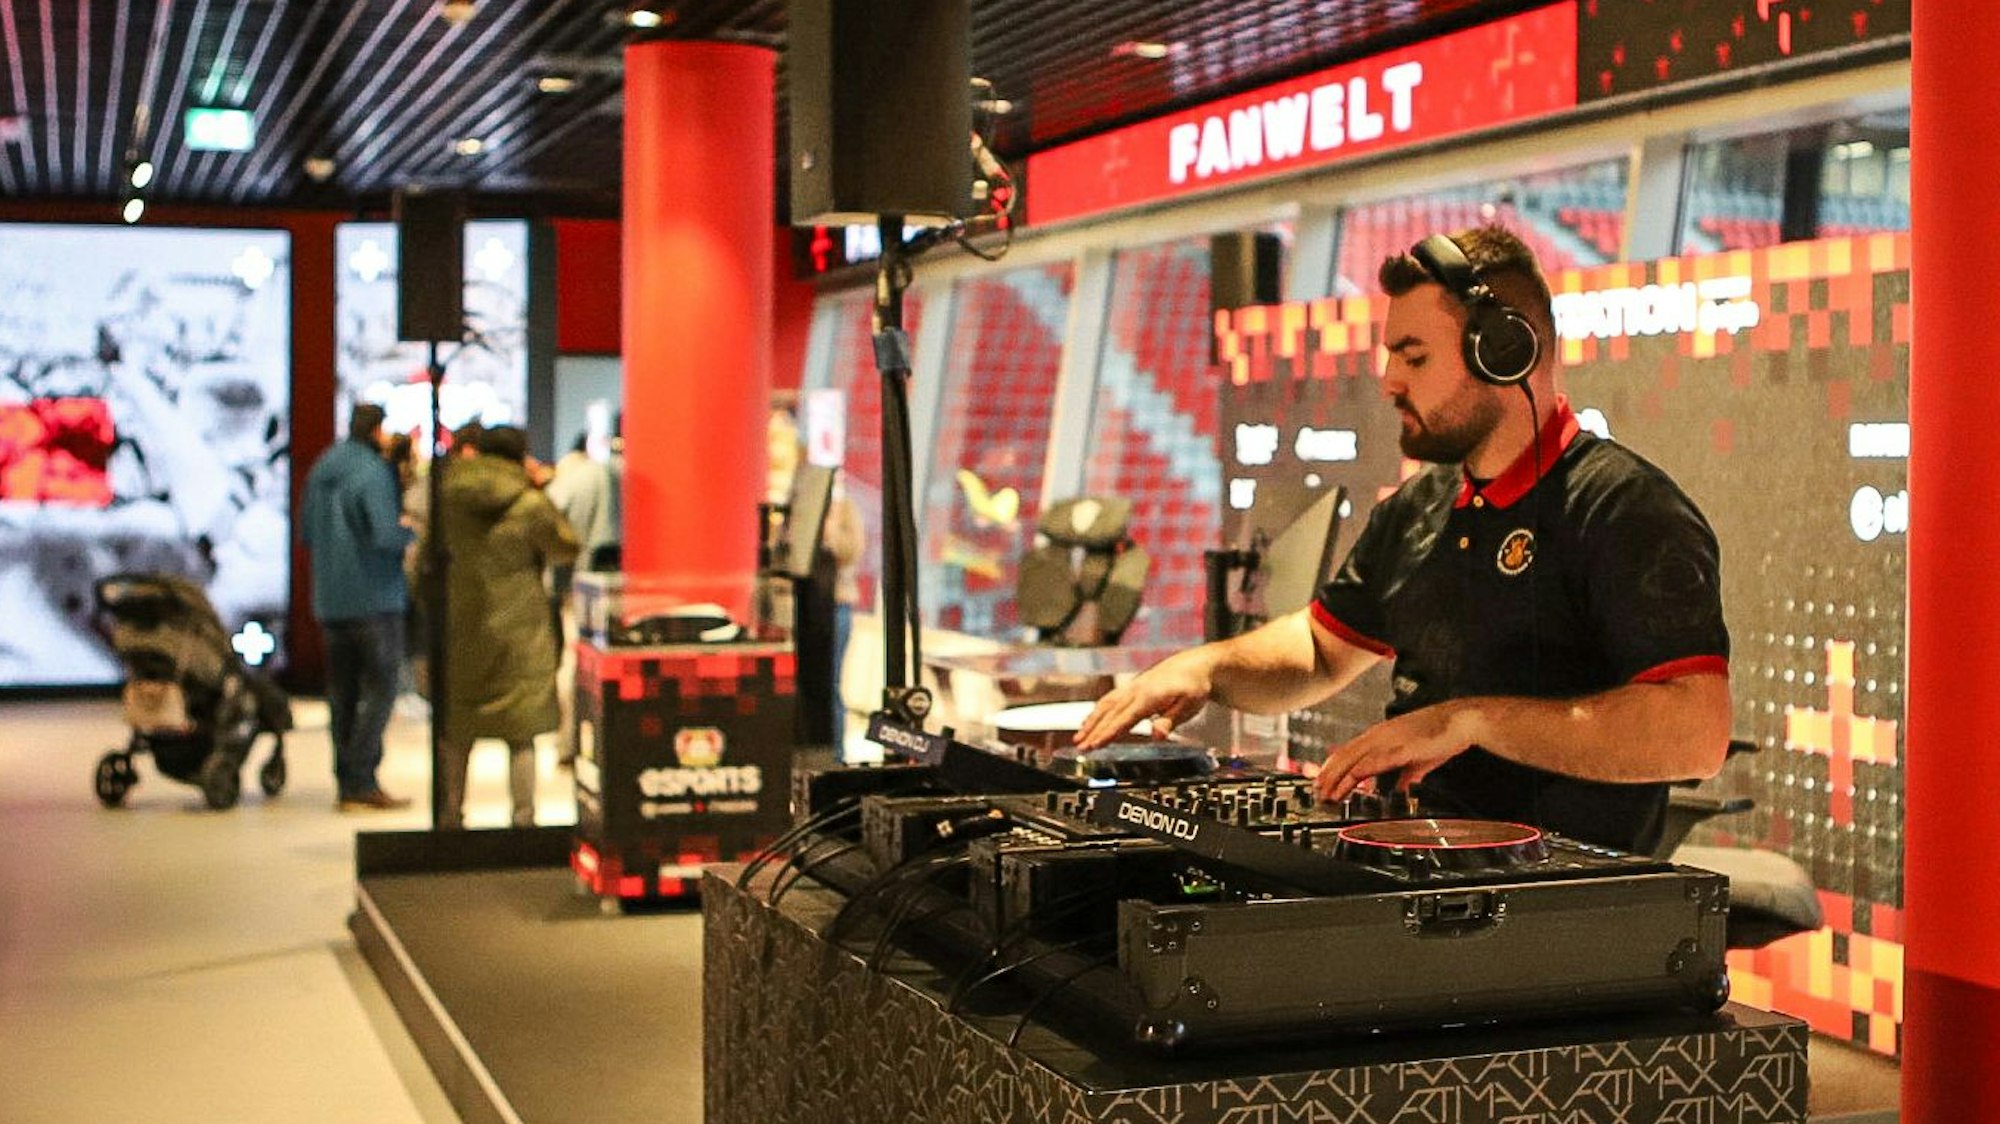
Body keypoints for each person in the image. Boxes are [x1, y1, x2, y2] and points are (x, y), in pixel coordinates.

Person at [1076, 225, 1731, 855]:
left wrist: (1467, 722)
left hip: (1560, 910)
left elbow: (1695, 734)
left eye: (1414, 357)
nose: (1390, 381)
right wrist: (1209, 667)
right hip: (1417, 864)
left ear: (1504, 351)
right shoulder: (1421, 505)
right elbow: (1321, 651)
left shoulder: (1625, 508)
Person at [428, 425, 579, 829]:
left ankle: (449, 820)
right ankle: (524, 822)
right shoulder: (528, 502)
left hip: (459, 626)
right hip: (520, 632)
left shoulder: (447, 499)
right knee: (521, 732)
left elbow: (425, 560)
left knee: (458, 730)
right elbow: (566, 545)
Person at [301, 402, 416, 811]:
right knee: (382, 690)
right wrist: (413, 535)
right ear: (377, 430)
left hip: (330, 600)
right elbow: (385, 534)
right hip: (375, 597)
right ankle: (362, 778)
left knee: (343, 694)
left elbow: (307, 531)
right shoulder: (371, 472)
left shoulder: (323, 467)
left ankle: (346, 784)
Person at [545, 432, 615, 761]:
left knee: (575, 665)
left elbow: (549, 521)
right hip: (624, 587)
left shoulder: (574, 478)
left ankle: (569, 743)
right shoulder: (623, 473)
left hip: (578, 588)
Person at [823, 481, 865, 754]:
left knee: (832, 685)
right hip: (807, 607)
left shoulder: (844, 508)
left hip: (836, 605)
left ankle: (836, 754)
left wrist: (829, 526)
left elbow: (850, 552)